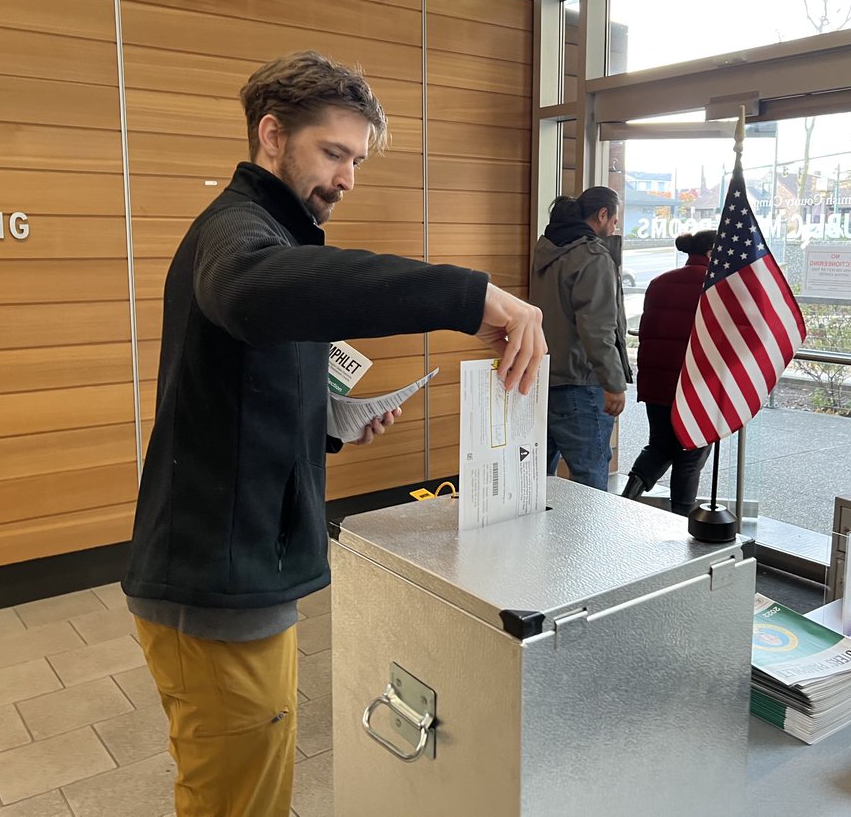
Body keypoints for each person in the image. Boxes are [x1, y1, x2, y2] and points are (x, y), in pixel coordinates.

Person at [121, 50, 545, 817]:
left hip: (252, 565)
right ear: (272, 135)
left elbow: (249, 382)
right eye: (334, 153)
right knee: (236, 799)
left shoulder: (281, 243)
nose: (347, 178)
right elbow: (250, 296)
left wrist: (333, 422)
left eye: (356, 159)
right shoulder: (237, 233)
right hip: (217, 578)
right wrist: (467, 294)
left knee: (260, 778)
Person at [529, 187, 631, 491]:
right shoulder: (592, 257)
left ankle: (541, 539)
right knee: (589, 482)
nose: (614, 228)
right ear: (602, 215)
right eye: (614, 220)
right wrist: (614, 383)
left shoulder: (547, 251)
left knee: (538, 481)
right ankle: (585, 539)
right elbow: (597, 328)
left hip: (543, 379)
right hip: (581, 384)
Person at [622, 230, 717, 515]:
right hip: (696, 385)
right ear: (712, 253)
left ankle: (627, 496)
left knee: (660, 445)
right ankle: (681, 521)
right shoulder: (715, 287)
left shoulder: (659, 282)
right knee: (690, 454)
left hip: (657, 382)